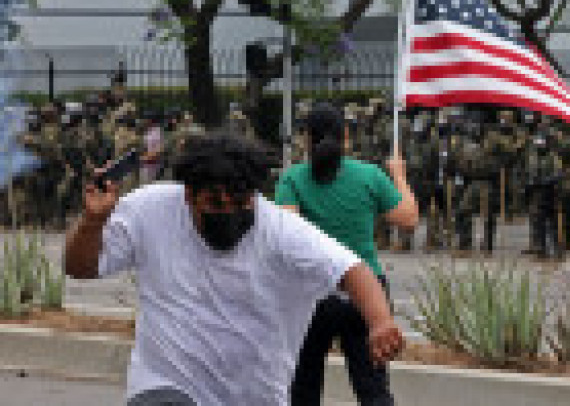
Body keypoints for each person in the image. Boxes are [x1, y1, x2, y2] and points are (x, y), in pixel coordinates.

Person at [63, 131, 404, 406]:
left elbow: (352, 269)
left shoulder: (280, 230)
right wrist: (93, 223)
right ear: (188, 195)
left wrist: (380, 322)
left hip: (254, 391)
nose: (227, 213)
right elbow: (79, 268)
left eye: (240, 203)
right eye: (214, 203)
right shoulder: (149, 210)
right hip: (165, 385)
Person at [275, 104, 418, 406]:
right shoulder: (370, 175)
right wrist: (400, 176)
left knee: (302, 388)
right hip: (367, 292)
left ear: (306, 139)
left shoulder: (293, 179)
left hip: (312, 294)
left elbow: (286, 231)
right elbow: (408, 219)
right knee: (373, 390)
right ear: (347, 137)